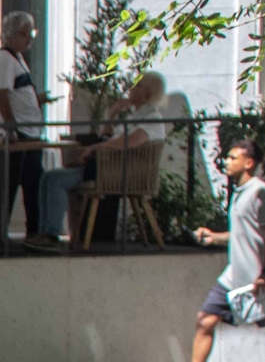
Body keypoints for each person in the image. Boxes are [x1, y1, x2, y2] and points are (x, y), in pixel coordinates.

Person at [161, 136, 265, 362]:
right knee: (205, 320)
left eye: (233, 158)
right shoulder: (239, 193)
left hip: (258, 278)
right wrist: (213, 237)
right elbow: (242, 234)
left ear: (249, 162)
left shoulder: (260, 191)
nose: (227, 162)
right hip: (234, 275)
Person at [39, 70, 169, 243]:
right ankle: (43, 232)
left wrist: (95, 147)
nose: (131, 88)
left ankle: (50, 234)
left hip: (116, 173)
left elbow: (129, 141)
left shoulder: (151, 119)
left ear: (147, 93)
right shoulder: (135, 116)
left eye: (137, 85)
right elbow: (107, 135)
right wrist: (113, 113)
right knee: (48, 176)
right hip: (107, 168)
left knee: (56, 179)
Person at [0, 9, 54, 247]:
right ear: (11, 35)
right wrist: (11, 127)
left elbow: (15, 92)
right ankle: (0, 234)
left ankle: (34, 231)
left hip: (29, 132)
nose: (29, 40)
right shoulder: (4, 59)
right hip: (17, 134)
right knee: (11, 183)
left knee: (33, 181)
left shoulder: (17, 59)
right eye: (25, 34)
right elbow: (2, 94)